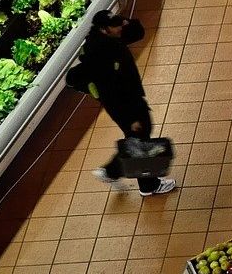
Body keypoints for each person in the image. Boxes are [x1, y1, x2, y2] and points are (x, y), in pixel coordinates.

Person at [73, 11, 175, 196]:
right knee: (140, 141)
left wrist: (125, 22)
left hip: (129, 103)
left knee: (138, 138)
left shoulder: (110, 40)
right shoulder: (101, 54)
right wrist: (132, 118)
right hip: (126, 107)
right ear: (105, 29)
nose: (121, 28)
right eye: (116, 25)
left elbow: (137, 33)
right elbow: (114, 92)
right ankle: (148, 185)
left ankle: (112, 172)